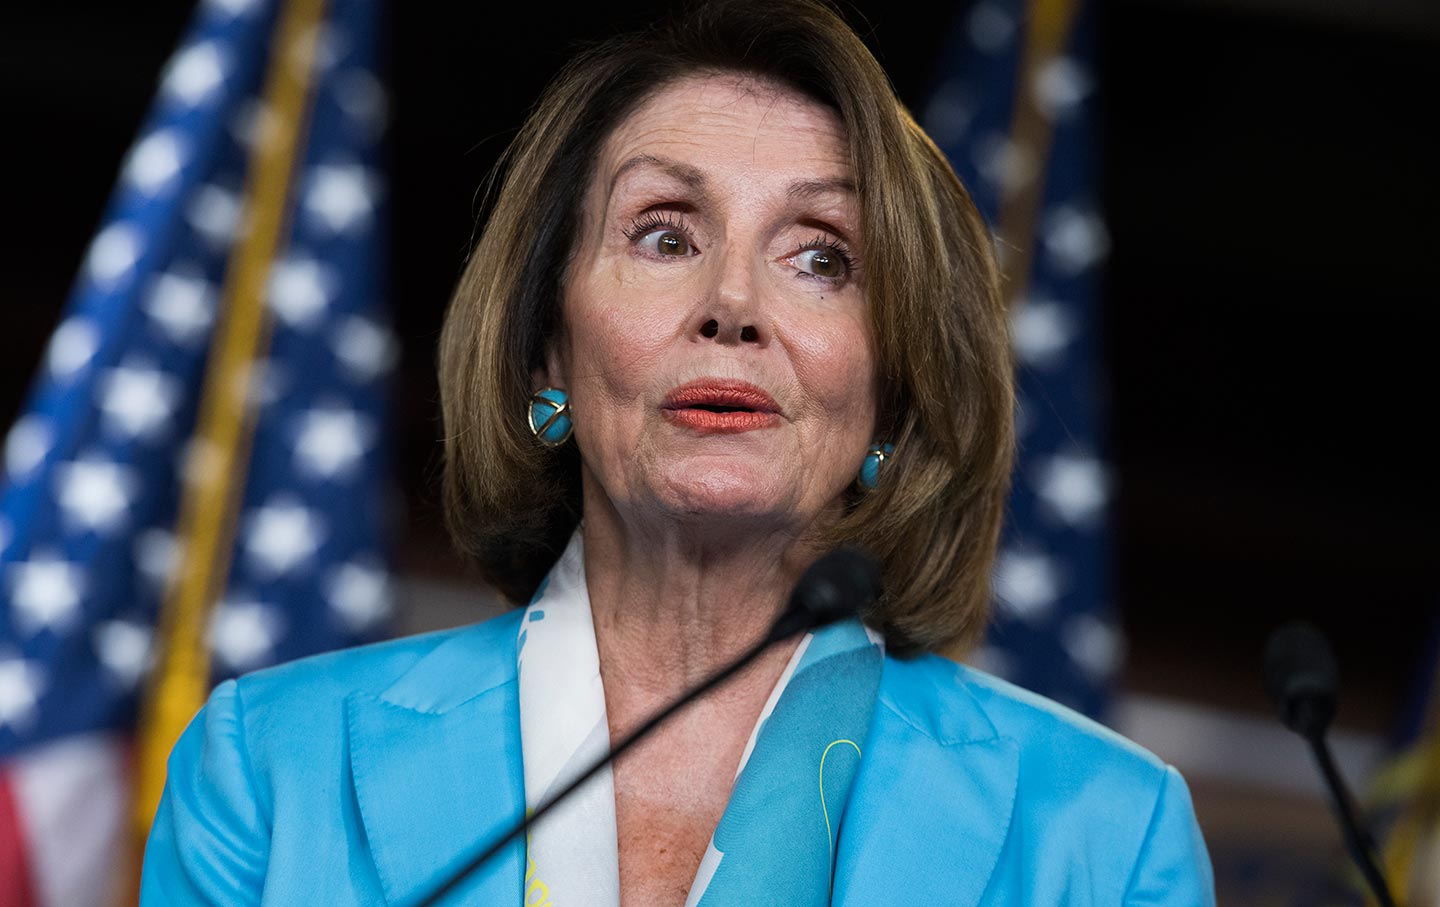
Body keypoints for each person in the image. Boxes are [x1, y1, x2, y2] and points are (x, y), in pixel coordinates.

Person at [140, 0, 1215, 904]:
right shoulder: (270, 766)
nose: (734, 306)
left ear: (894, 396)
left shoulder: (1104, 834)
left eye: (822, 257)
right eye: (664, 234)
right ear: (543, 349)